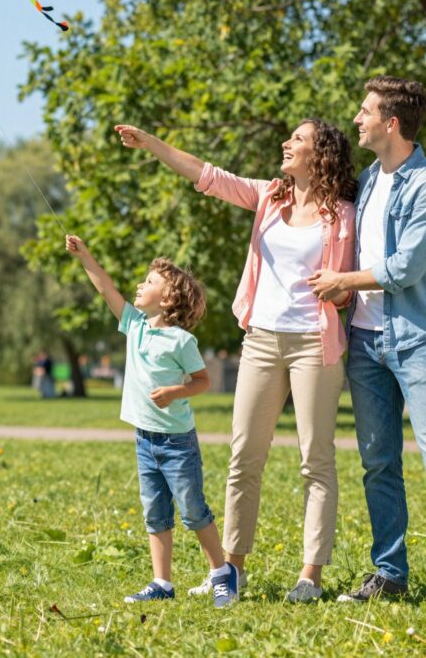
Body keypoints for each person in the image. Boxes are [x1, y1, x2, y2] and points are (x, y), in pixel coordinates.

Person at [116, 118, 356, 603]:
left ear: (321, 154)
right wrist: (150, 142)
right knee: (244, 456)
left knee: (316, 460)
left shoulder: (344, 214)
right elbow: (207, 176)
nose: (287, 143)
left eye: (298, 139)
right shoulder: (269, 197)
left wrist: (340, 286)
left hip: (315, 342)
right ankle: (233, 570)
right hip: (263, 338)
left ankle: (310, 576)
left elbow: (349, 285)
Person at [309, 75, 426, 609]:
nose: (357, 119)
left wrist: (342, 283)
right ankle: (389, 572)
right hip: (365, 341)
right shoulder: (366, 181)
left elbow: (404, 268)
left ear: (392, 122)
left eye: (365, 111)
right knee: (378, 460)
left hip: (417, 339)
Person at [64, 234, 239, 607]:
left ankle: (222, 573)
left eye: (149, 282)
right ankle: (162, 583)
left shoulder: (180, 341)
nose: (139, 285)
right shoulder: (135, 326)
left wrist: (175, 392)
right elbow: (105, 287)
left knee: (193, 511)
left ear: (169, 298)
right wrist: (85, 256)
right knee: (155, 513)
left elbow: (203, 382)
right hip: (145, 440)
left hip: (177, 443)